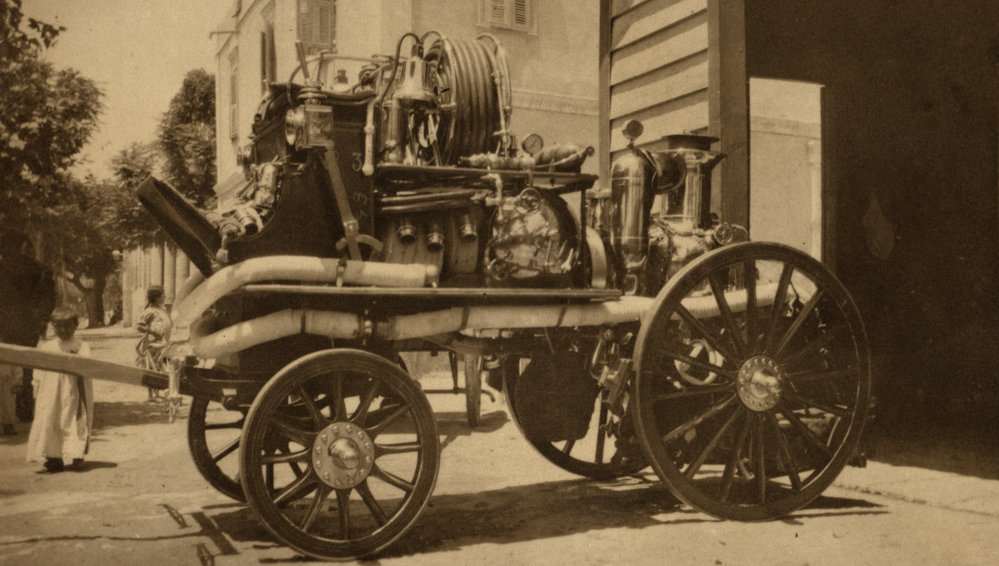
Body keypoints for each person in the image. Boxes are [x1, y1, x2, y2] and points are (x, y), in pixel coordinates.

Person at [0, 229, 57, 433]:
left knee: (5, 368)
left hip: (5, 324)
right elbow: (49, 299)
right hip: (28, 324)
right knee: (26, 366)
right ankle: (24, 410)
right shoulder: (39, 269)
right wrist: (41, 319)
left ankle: (7, 414)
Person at [25, 307, 94, 473]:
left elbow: (88, 365)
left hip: (74, 391)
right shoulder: (46, 346)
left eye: (67, 326)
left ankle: (76, 455)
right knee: (51, 420)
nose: (63, 330)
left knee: (73, 420)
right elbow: (38, 369)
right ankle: (53, 456)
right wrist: (37, 385)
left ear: (75, 326)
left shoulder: (81, 345)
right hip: (50, 391)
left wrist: (75, 359)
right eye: (58, 326)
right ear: (53, 326)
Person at [136, 285, 172, 401]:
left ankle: (157, 393)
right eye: (162, 295)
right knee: (151, 369)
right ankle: (151, 395)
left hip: (162, 344)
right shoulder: (150, 311)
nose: (164, 297)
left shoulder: (162, 310)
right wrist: (153, 332)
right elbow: (139, 326)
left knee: (159, 368)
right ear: (156, 298)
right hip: (152, 344)